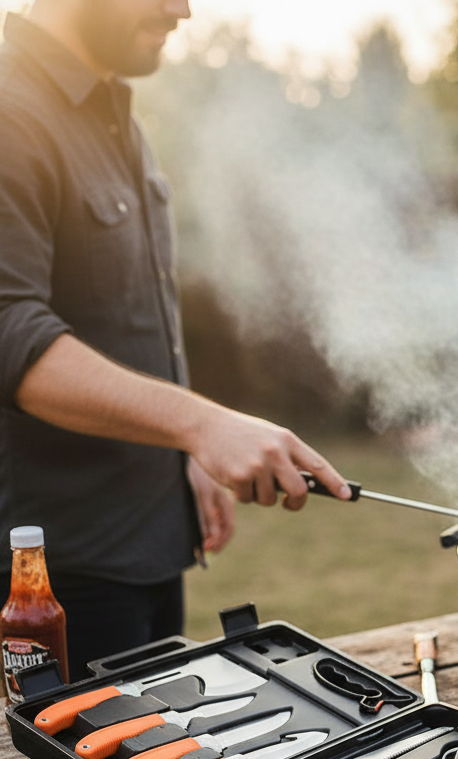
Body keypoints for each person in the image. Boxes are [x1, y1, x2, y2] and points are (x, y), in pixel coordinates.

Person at [0, 0, 351, 680]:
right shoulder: (12, 111)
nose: (183, 9)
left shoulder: (111, 112)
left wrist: (178, 454)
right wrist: (199, 423)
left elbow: (117, 316)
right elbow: (10, 328)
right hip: (67, 576)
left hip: (150, 545)